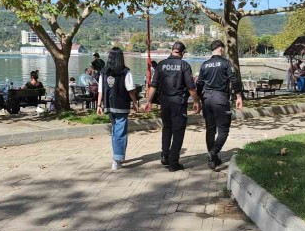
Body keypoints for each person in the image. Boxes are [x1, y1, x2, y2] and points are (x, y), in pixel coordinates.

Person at [144, 42, 201, 171]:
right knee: (178, 131)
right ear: (182, 53)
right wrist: (196, 101)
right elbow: (191, 86)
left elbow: (154, 85)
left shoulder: (161, 64)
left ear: (172, 50)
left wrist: (148, 101)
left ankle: (165, 155)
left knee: (167, 128)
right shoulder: (184, 65)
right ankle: (173, 163)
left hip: (164, 102)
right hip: (178, 102)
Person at [196, 40, 243, 170]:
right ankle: (213, 152)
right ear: (221, 49)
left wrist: (198, 99)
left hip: (207, 99)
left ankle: (213, 160)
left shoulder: (204, 65)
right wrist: (238, 96)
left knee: (210, 129)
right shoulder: (226, 63)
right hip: (220, 98)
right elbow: (234, 79)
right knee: (223, 129)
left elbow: (199, 83)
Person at [97, 47, 139, 170]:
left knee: (116, 131)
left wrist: (99, 105)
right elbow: (130, 90)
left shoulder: (103, 72)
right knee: (120, 132)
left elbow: (100, 90)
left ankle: (118, 156)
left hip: (109, 105)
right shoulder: (125, 72)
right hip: (121, 105)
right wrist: (135, 103)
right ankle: (117, 159)